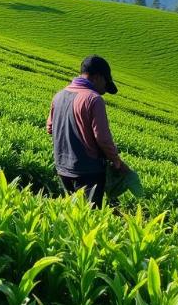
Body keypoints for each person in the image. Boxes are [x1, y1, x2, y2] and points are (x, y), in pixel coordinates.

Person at [46, 55, 128, 207]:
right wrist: (116, 161)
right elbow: (102, 138)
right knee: (88, 219)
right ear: (97, 77)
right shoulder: (93, 99)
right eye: (105, 83)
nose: (104, 89)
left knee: (70, 212)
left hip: (62, 168)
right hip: (88, 172)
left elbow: (50, 128)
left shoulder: (59, 95)